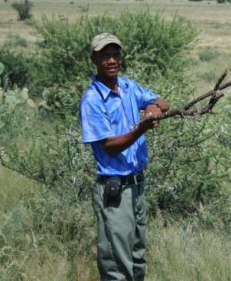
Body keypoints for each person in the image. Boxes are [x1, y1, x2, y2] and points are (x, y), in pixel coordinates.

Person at [79, 33, 169, 280]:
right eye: (104, 56)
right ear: (94, 59)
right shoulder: (92, 99)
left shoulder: (129, 87)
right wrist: (142, 127)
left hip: (137, 187)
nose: (111, 60)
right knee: (117, 267)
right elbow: (109, 145)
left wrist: (152, 107)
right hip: (115, 192)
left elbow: (162, 101)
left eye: (115, 54)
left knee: (137, 258)